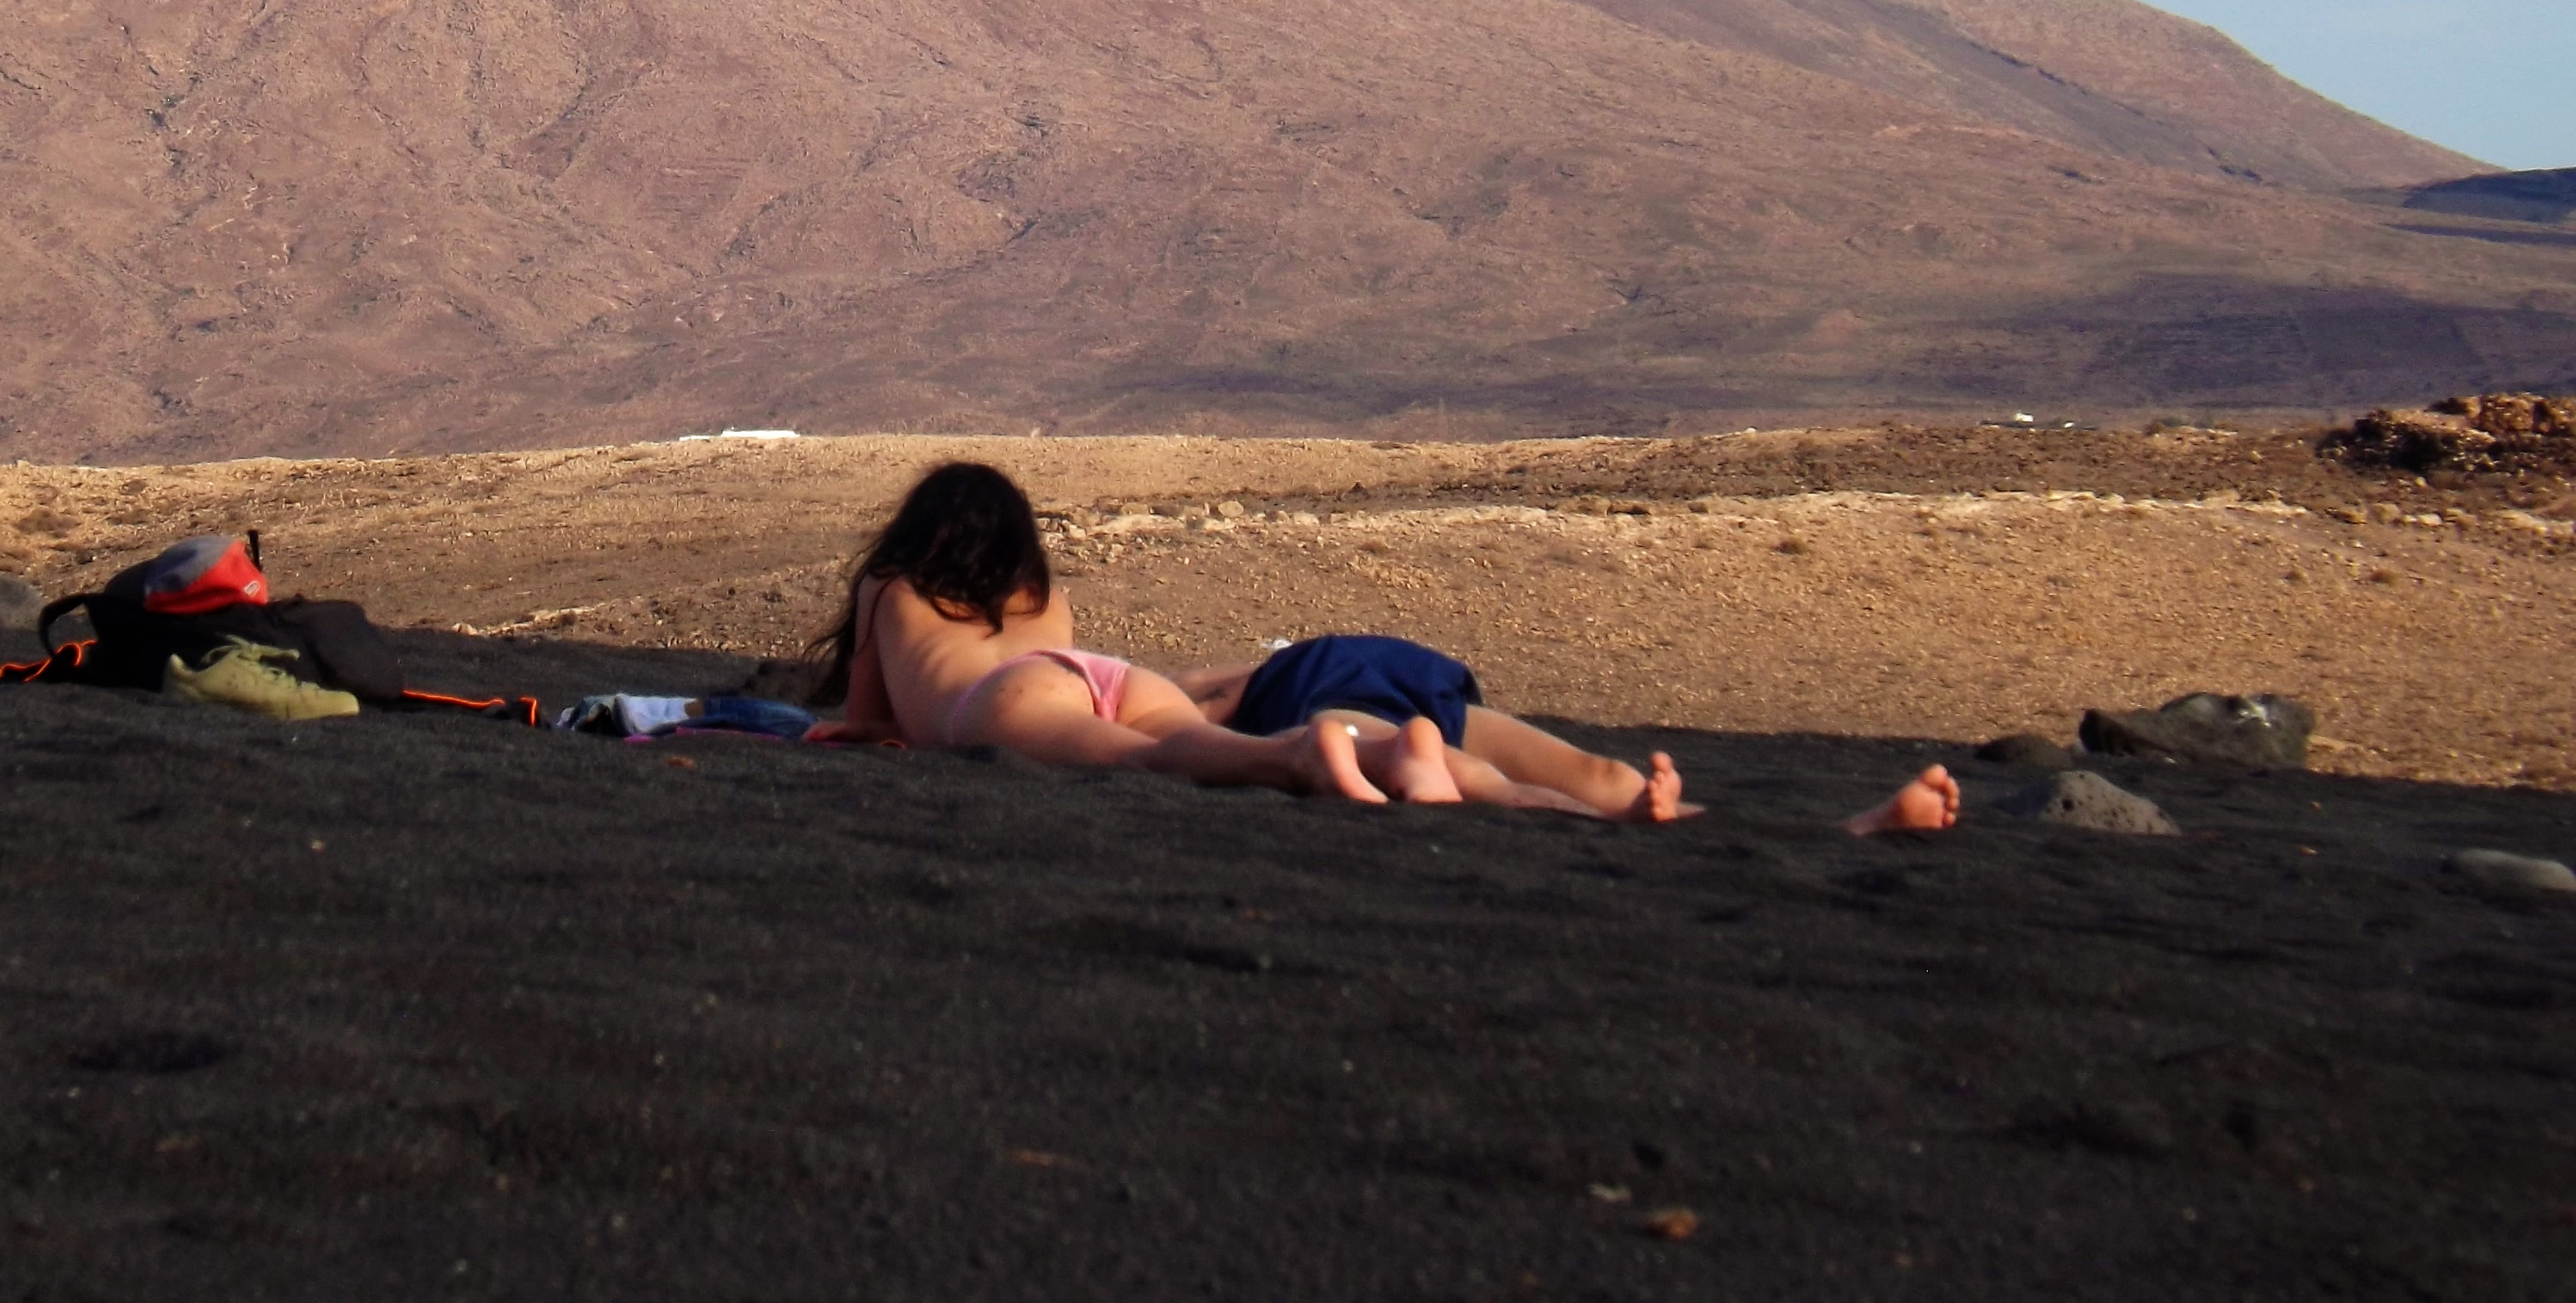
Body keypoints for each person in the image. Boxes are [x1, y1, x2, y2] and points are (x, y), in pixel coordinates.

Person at [808, 462, 1459, 801]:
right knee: (1198, 744)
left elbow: (870, 717)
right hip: (1104, 677)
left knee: (1146, 762)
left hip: (1005, 701)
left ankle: (1304, 755)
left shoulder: (894, 584)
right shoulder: (1045, 595)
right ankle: (1386, 753)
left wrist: (861, 728)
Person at [1179, 633, 1960, 834]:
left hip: (1389, 677)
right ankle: (1855, 829)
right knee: (1466, 773)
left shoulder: (1110, 679)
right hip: (1328, 699)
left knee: (1604, 773)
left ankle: (1832, 828)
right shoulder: (1143, 698)